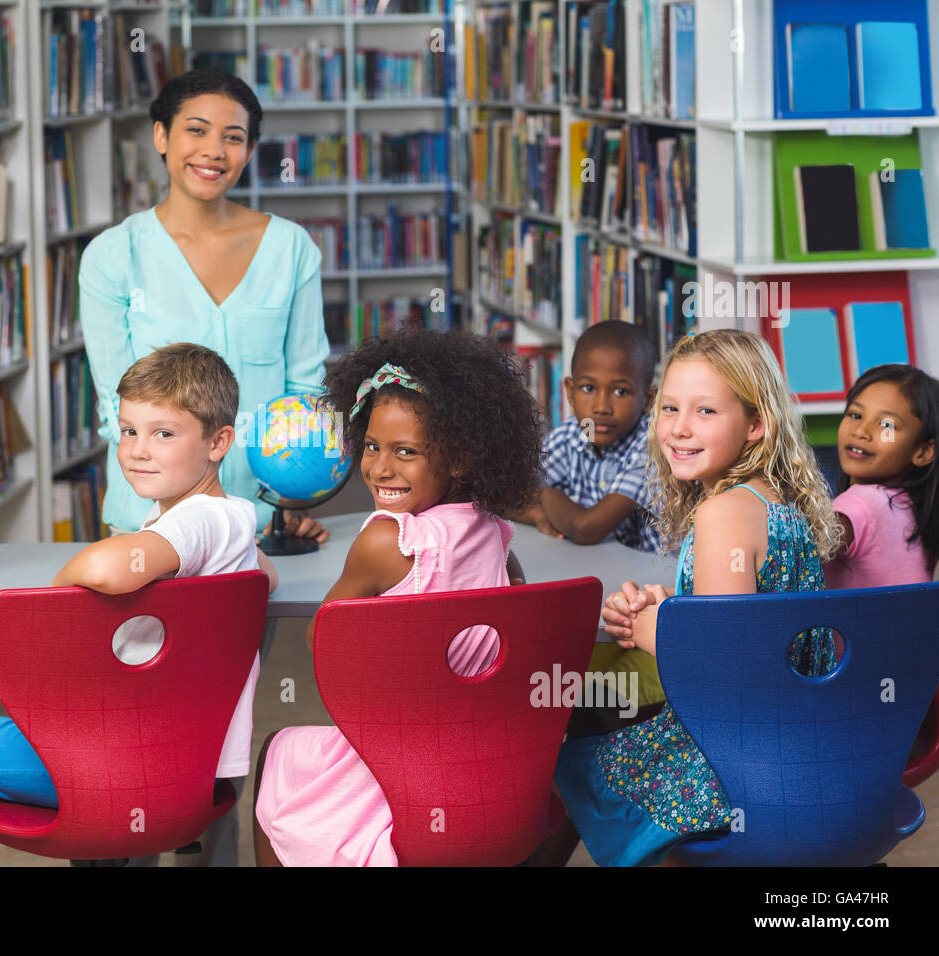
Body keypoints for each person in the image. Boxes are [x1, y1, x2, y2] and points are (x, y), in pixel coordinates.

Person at [0, 343, 278, 864]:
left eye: (164, 433)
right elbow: (263, 579)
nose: (138, 450)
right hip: (185, 764)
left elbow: (109, 568)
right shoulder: (236, 520)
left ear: (219, 442)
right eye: (129, 430)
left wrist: (54, 606)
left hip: (112, 764)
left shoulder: (197, 520)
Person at [549, 329, 841, 867]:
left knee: (566, 760)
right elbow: (746, 618)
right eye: (670, 408)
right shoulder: (772, 503)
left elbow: (724, 670)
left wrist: (645, 629)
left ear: (756, 425)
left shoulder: (721, 514)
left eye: (705, 411)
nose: (679, 429)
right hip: (800, 741)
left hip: (738, 761)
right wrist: (674, 608)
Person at [252, 327, 539, 866]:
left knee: (277, 752)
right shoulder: (496, 532)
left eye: (405, 452)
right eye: (373, 446)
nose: (380, 469)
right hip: (476, 759)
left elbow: (324, 644)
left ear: (460, 459)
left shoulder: (389, 540)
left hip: (394, 766)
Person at [79, 67, 331, 545]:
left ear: (250, 152)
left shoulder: (291, 249)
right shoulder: (112, 256)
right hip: (149, 521)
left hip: (262, 517)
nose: (214, 151)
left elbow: (305, 390)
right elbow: (117, 406)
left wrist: (290, 499)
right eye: (196, 130)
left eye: (232, 137)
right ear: (161, 136)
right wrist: (193, 519)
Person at [513, 321, 662, 551]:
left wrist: (543, 496)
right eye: (588, 389)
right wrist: (536, 514)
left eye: (620, 391)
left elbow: (586, 528)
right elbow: (500, 496)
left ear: (648, 400)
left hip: (658, 579)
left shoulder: (652, 447)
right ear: (570, 392)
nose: (601, 407)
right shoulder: (569, 436)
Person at [824, 364, 938, 588]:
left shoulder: (862, 503)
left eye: (887, 424)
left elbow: (800, 547)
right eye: (855, 415)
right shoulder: (911, 507)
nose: (861, 431)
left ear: (923, 452)